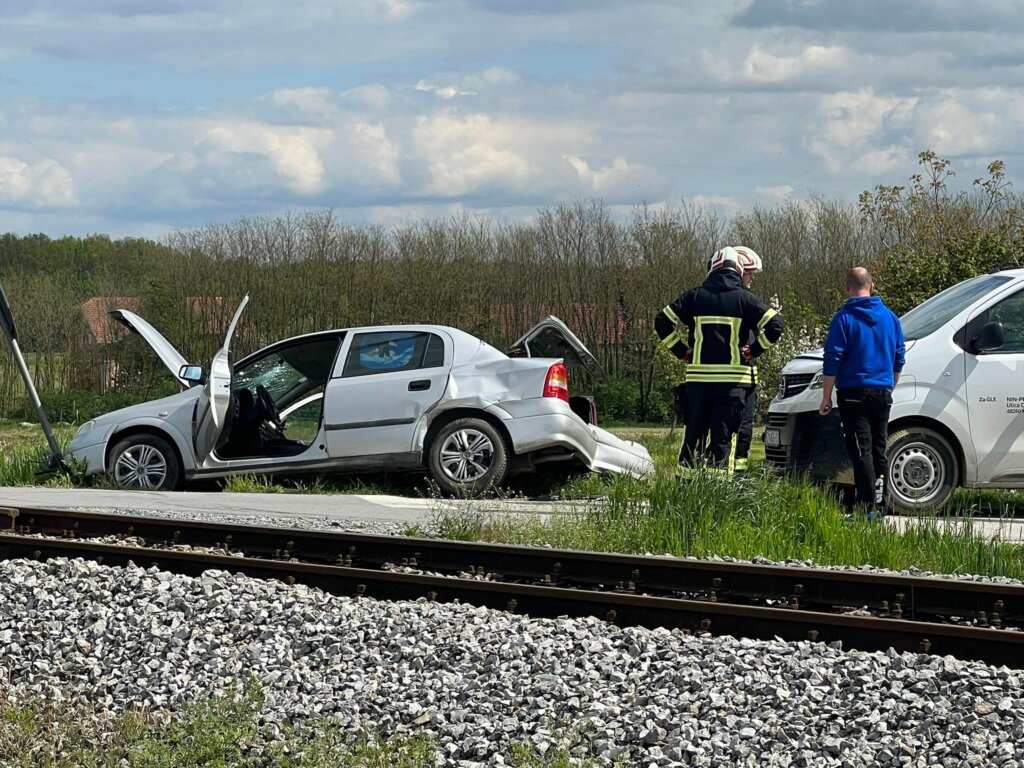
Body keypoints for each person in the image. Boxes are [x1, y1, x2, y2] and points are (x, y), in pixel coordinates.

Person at [655, 247, 784, 475]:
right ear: (738, 270)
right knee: (723, 439)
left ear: (712, 268)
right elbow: (776, 325)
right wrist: (755, 350)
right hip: (733, 384)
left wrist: (682, 351)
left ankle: (686, 489)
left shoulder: (693, 297)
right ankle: (720, 495)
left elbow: (662, 321)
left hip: (697, 383)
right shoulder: (746, 299)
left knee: (693, 436)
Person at [819, 267, 905, 518]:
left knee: (860, 450)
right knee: (879, 448)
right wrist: (889, 385)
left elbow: (832, 359)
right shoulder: (891, 318)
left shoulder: (843, 319)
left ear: (847, 288)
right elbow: (899, 357)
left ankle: (867, 507)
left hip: (853, 393)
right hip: (882, 391)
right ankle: (879, 504)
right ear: (872, 286)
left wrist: (826, 396)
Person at [732, 246, 763, 473]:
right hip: (735, 380)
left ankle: (740, 475)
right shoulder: (739, 303)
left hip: (747, 378)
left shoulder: (747, 302)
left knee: (745, 429)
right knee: (738, 428)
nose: (752, 279)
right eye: (750, 274)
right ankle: (734, 478)